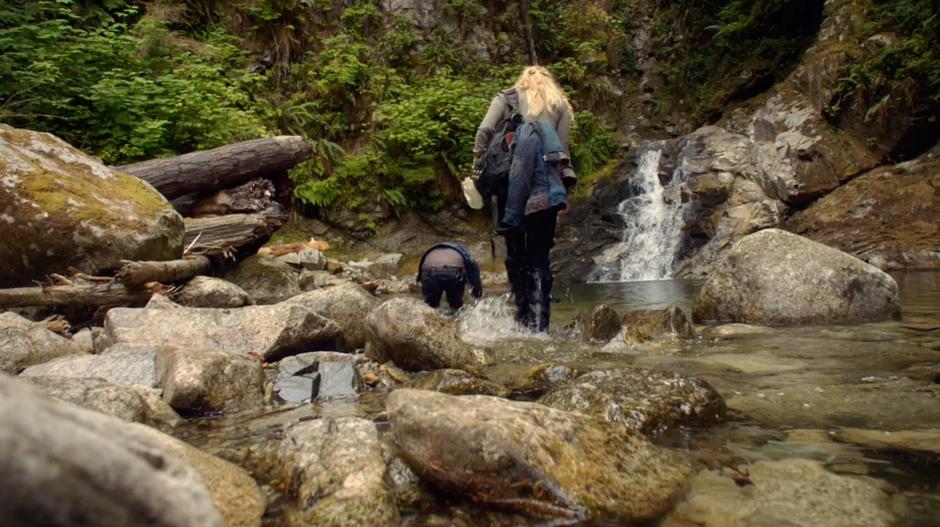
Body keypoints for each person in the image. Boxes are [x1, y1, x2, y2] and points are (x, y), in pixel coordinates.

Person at [473, 66, 576, 332]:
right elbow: (562, 154)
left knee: (516, 253)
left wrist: (478, 168)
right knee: (540, 256)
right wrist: (565, 191)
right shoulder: (559, 105)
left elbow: (484, 130)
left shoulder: (506, 98)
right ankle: (541, 325)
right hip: (547, 189)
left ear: (522, 81)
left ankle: (521, 318)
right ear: (548, 83)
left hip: (511, 185)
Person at [416, 242, 483, 310]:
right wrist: (477, 295)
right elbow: (475, 276)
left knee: (430, 306)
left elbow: (420, 276)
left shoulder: (432, 250)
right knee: (456, 306)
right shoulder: (464, 252)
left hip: (429, 273)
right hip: (454, 274)